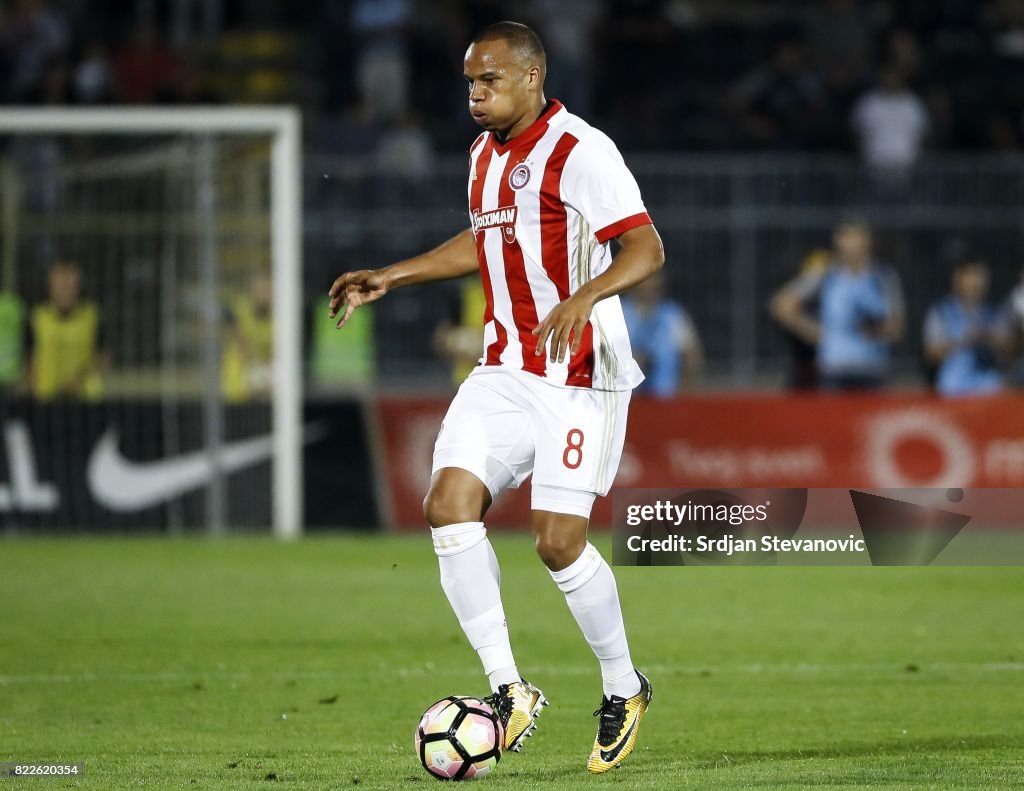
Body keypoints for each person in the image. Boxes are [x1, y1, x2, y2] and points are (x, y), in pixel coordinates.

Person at [328, 21, 662, 774]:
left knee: (557, 542)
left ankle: (624, 685)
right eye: (470, 82)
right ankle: (510, 690)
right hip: (506, 366)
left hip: (581, 373)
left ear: (534, 76)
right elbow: (483, 242)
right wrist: (393, 274)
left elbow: (645, 247)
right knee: (448, 505)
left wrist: (585, 295)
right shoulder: (482, 155)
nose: (476, 94)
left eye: (491, 80)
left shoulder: (582, 150)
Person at [770, 221, 904, 390]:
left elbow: (896, 327)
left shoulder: (884, 277)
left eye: (855, 237)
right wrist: (812, 330)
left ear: (867, 241)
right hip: (835, 368)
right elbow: (781, 305)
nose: (850, 244)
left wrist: (877, 329)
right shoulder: (825, 274)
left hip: (872, 367)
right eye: (845, 237)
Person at [923, 258, 1011, 397]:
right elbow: (931, 353)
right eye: (970, 276)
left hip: (987, 389)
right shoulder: (942, 311)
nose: (975, 282)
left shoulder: (993, 313)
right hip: (953, 389)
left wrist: (991, 338)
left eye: (979, 276)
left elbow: (1008, 350)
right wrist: (963, 340)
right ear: (958, 279)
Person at [28, 261, 105, 400]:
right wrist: (30, 386)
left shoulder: (92, 316)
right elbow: (32, 356)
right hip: (46, 397)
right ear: (51, 288)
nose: (65, 291)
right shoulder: (38, 316)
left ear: (78, 288)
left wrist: (79, 380)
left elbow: (103, 357)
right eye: (60, 286)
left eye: (69, 286)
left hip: (86, 399)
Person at [621, 270, 702, 396]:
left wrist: (684, 393)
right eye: (647, 278)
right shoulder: (619, 312)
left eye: (655, 279)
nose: (650, 284)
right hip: (626, 400)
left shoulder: (674, 315)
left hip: (666, 399)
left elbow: (692, 357)